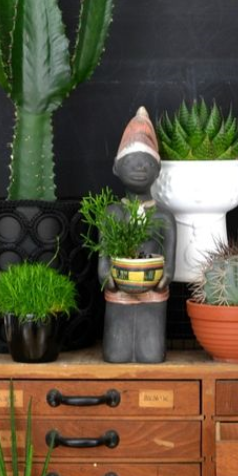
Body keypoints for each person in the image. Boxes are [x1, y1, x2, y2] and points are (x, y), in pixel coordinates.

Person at [99, 107, 176, 363]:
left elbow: (170, 260)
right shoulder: (112, 213)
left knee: (150, 352)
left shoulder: (164, 217)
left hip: (152, 292)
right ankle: (117, 348)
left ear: (158, 169)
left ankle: (150, 348)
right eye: (131, 162)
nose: (139, 168)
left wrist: (165, 278)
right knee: (116, 352)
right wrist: (106, 276)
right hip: (119, 291)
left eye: (146, 162)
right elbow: (104, 256)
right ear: (116, 168)